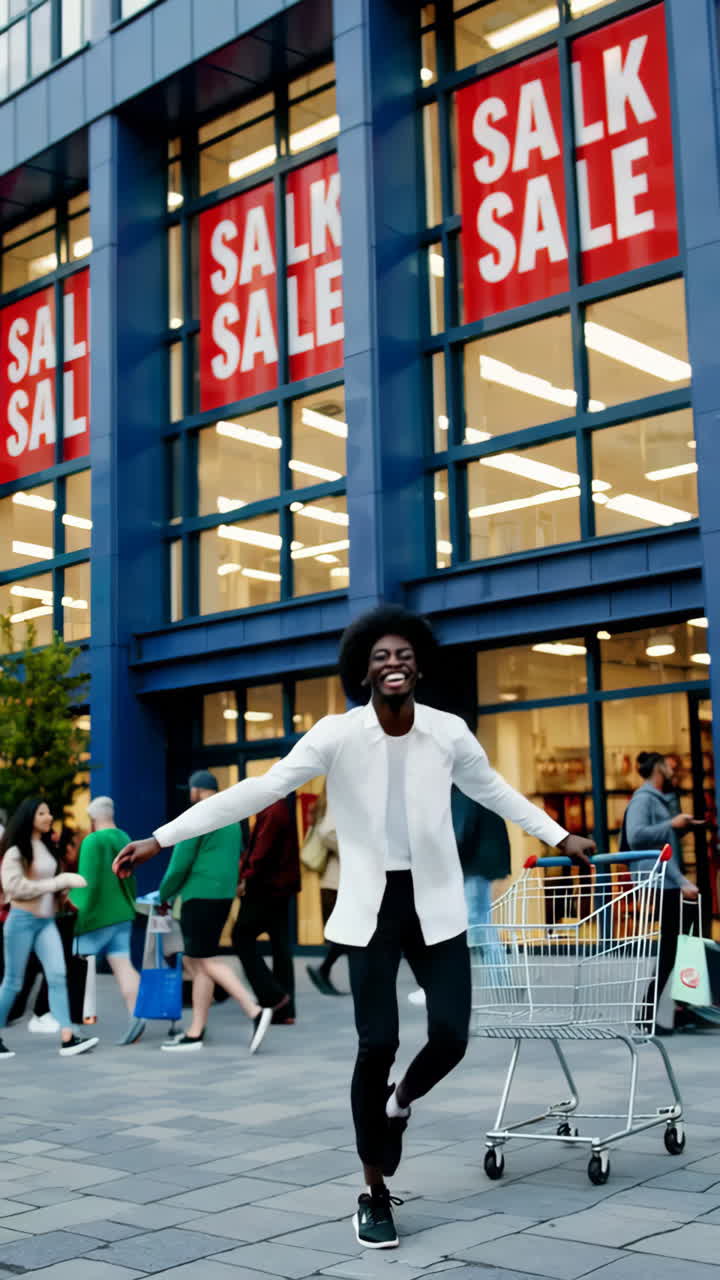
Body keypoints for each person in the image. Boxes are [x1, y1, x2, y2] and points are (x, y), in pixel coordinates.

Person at [113, 606, 593, 1249]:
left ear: (419, 665)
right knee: (377, 1044)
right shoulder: (336, 735)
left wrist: (558, 834)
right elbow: (257, 789)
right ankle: (373, 1192)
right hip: (370, 909)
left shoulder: (449, 733)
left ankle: (396, 1107)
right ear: (363, 671)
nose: (392, 663)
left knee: (451, 1034)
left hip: (437, 904)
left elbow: (495, 791)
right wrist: (161, 837)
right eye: (379, 657)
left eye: (402, 655)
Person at [157, 770, 274, 1054]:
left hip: (199, 895)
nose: (190, 794)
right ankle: (196, 1030)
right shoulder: (230, 817)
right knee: (199, 963)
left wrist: (164, 894)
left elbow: (180, 861)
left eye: (191, 789)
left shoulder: (199, 813)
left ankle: (255, 1011)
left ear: (198, 790)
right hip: (222, 897)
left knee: (203, 961)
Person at [0, 797, 98, 1059]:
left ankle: (68, 1036)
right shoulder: (16, 852)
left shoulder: (46, 848)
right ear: (29, 817)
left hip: (46, 923)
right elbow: (14, 888)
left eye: (49, 812)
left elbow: (50, 885)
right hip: (21, 921)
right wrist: (55, 884)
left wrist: (62, 892)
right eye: (42, 813)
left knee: (57, 976)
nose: (48, 817)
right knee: (13, 982)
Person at [624, 750, 705, 1035]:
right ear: (658, 768)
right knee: (672, 948)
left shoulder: (660, 799)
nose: (673, 769)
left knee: (688, 941)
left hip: (669, 881)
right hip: (660, 882)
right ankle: (647, 1013)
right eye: (669, 766)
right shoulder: (643, 800)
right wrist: (671, 825)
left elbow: (661, 839)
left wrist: (679, 828)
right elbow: (636, 836)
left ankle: (685, 1006)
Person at [408, 788, 511, 1007]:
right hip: (479, 865)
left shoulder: (460, 791)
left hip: (472, 866)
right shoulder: (470, 785)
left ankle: (439, 987)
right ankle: (501, 984)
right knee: (479, 922)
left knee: (465, 923)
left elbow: (459, 831)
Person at [71, 797, 145, 1045]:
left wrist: (74, 910)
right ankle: (137, 1015)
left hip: (96, 917)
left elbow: (87, 883)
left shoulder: (93, 840)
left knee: (75, 968)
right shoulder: (124, 838)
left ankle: (72, 1027)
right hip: (122, 912)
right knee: (123, 965)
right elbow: (130, 879)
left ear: (92, 818)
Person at [233, 796, 299, 1024]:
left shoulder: (271, 811)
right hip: (280, 888)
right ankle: (285, 1010)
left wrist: (244, 878)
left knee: (241, 936)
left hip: (265, 888)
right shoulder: (277, 809)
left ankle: (273, 996)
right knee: (281, 946)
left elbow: (261, 854)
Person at [306, 790, 348, 996]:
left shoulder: (331, 800)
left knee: (351, 935)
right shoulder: (336, 799)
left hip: (336, 883)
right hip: (336, 882)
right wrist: (355, 851)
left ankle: (324, 970)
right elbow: (327, 832)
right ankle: (323, 970)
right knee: (350, 935)